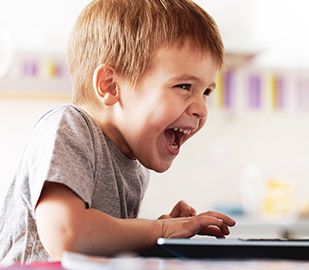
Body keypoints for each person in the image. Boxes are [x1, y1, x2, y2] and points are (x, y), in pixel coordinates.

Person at [0, 0, 235, 264]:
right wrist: (162, 230)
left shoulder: (134, 167)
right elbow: (66, 236)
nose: (202, 109)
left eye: (206, 92)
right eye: (183, 86)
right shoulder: (69, 127)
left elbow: (98, 250)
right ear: (110, 86)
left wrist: (157, 238)